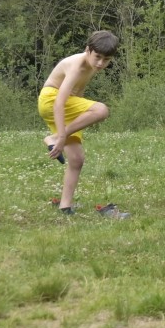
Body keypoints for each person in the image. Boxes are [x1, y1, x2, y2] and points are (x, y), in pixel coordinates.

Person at [42, 30, 126, 217]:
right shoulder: (76, 66)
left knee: (77, 159)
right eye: (97, 57)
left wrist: (79, 117)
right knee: (101, 110)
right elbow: (59, 102)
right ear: (88, 50)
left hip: (64, 105)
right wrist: (62, 136)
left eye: (106, 60)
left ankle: (65, 206)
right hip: (51, 100)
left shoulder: (91, 66)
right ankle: (54, 138)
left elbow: (77, 93)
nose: (100, 63)